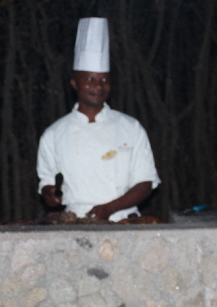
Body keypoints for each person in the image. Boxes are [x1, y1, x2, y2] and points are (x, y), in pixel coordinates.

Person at [36, 17, 161, 221]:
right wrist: (49, 193)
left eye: (104, 80)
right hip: (75, 222)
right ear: (74, 83)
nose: (98, 86)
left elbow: (145, 183)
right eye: (90, 79)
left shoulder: (130, 127)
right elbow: (47, 181)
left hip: (124, 220)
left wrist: (109, 209)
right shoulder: (54, 134)